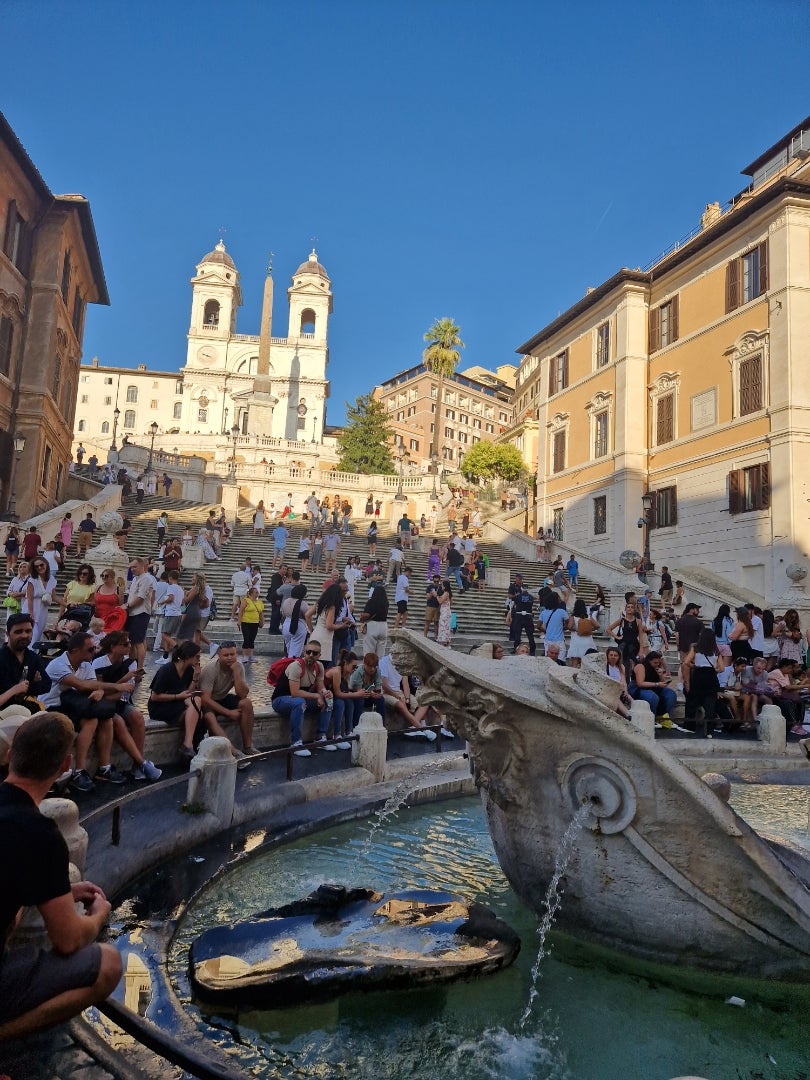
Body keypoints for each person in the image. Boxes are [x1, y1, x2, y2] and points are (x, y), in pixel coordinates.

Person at [0, 712, 122, 1041]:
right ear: (65, 765)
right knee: (108, 963)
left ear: (11, 755)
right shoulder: (39, 833)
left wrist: (59, 892)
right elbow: (68, 940)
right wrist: (98, 916)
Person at [40, 632, 135, 792]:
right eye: (90, 649)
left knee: (105, 718)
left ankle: (103, 767)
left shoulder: (87, 664)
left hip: (73, 704)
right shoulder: (58, 664)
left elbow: (93, 686)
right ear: (76, 650)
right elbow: (81, 685)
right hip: (52, 706)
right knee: (92, 719)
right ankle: (79, 771)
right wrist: (116, 686)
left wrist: (99, 691)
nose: (95, 652)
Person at [92, 632, 161, 780]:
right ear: (113, 647)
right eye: (125, 644)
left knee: (138, 717)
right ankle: (141, 763)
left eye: (129, 643)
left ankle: (137, 766)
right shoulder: (98, 663)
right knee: (118, 722)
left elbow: (125, 693)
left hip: (120, 701)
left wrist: (120, 687)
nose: (129, 646)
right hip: (104, 704)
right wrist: (123, 681)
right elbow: (98, 691)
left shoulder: (130, 663)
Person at [197, 643, 257, 763]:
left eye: (232, 654)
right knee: (209, 717)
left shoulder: (239, 667)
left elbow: (243, 694)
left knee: (246, 703)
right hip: (208, 702)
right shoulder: (210, 669)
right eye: (226, 655)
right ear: (219, 655)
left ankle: (248, 747)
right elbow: (205, 699)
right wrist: (228, 713)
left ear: (237, 654)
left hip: (222, 697)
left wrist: (235, 672)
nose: (230, 657)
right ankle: (233, 752)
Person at [271, 641, 331, 756]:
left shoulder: (319, 666)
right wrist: (316, 696)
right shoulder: (296, 666)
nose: (311, 655)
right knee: (299, 702)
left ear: (319, 655)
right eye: (308, 652)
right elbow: (294, 692)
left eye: (315, 653)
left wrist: (325, 693)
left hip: (300, 699)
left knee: (329, 702)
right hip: (280, 700)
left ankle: (320, 737)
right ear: (304, 652)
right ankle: (296, 742)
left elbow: (320, 686)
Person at [147, 641, 203, 751]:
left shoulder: (189, 671)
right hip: (160, 707)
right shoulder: (167, 670)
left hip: (177, 705)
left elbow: (188, 694)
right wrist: (177, 696)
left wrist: (195, 678)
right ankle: (189, 745)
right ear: (187, 656)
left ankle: (188, 745)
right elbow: (154, 696)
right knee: (197, 713)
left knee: (197, 707)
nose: (199, 659)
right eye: (197, 656)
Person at [0, 613, 51, 715]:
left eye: (28, 631)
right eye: (18, 632)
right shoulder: (1, 658)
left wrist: (25, 688)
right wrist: (17, 689)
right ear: (8, 634)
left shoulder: (32, 657)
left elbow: (46, 684)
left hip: (26, 709)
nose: (24, 635)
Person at [682, 628, 725, 737]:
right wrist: (714, 670)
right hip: (711, 679)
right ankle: (709, 730)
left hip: (698, 677)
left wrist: (695, 666)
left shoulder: (696, 648)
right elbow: (722, 668)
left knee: (692, 702)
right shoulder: (716, 651)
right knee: (710, 705)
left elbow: (686, 662)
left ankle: (690, 727)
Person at [324, 650, 364, 748]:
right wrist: (356, 694)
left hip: (332, 695)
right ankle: (337, 735)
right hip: (325, 694)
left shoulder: (346, 672)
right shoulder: (337, 671)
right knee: (341, 702)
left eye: (356, 667)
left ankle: (348, 731)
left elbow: (347, 689)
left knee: (351, 701)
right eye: (353, 667)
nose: (355, 669)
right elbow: (338, 693)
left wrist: (360, 690)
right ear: (346, 663)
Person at [125, 558, 157, 672]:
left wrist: (127, 606)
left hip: (140, 612)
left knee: (138, 641)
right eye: (131, 567)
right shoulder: (135, 579)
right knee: (133, 641)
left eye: (134, 567)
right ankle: (132, 665)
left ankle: (139, 667)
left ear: (142, 566)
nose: (132, 569)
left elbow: (140, 597)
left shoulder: (147, 579)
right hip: (133, 613)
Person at [631, 651, 677, 723]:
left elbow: (663, 683)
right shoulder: (641, 666)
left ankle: (666, 719)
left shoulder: (657, 667)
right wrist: (657, 684)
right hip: (638, 688)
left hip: (654, 686)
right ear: (649, 661)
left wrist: (660, 675)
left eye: (658, 663)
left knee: (671, 694)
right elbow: (640, 683)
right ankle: (652, 720)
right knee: (652, 697)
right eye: (655, 663)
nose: (657, 664)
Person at [154, 569, 184, 662]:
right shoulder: (180, 589)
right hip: (177, 613)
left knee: (164, 635)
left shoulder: (171, 587)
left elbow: (171, 598)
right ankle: (165, 656)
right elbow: (183, 602)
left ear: (170, 578)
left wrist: (162, 602)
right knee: (167, 634)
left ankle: (176, 646)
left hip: (171, 613)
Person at [25, 558, 55, 643]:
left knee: (38, 635)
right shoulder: (32, 580)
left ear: (46, 564)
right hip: (31, 609)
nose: (39, 567)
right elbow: (29, 598)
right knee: (32, 634)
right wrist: (30, 613)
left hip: (43, 611)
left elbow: (54, 596)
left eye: (41, 565)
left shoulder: (51, 579)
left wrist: (67, 604)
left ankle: (34, 654)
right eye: (36, 566)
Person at [281, 583, 314, 659]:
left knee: (288, 648)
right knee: (296, 650)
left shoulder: (286, 601)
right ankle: (292, 666)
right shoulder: (303, 604)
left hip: (286, 624)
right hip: (298, 624)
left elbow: (283, 613)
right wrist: (310, 629)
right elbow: (307, 616)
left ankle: (287, 663)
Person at [359, 577, 389, 658]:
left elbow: (367, 614)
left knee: (369, 653)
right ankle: (379, 669)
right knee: (381, 654)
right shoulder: (386, 603)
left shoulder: (371, 601)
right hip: (383, 626)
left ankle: (369, 669)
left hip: (372, 626)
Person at [567, 599, 598, 668]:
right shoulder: (588, 617)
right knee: (586, 663)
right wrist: (589, 629)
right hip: (588, 641)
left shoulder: (573, 617)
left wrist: (577, 629)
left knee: (574, 663)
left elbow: (569, 626)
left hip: (577, 640)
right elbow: (597, 625)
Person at [237, 587, 264, 663]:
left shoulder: (260, 602)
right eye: (256, 592)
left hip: (255, 623)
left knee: (252, 639)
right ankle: (245, 656)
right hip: (246, 622)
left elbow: (261, 613)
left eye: (257, 592)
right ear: (251, 593)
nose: (257, 593)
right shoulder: (246, 601)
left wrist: (262, 621)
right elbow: (241, 611)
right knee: (246, 638)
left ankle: (251, 656)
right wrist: (239, 621)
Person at [604, 645, 632, 718]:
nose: (613, 657)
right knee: (616, 699)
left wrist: (625, 691)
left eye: (615, 655)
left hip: (619, 690)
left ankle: (636, 713)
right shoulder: (604, 666)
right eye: (611, 655)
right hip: (608, 691)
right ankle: (628, 715)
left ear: (619, 657)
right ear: (607, 656)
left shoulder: (621, 667)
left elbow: (623, 681)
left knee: (629, 698)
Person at [436, 580, 453, 648]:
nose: (441, 586)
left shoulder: (446, 593)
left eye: (442, 585)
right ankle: (447, 642)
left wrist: (436, 596)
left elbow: (440, 601)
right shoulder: (449, 593)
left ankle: (443, 642)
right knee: (447, 627)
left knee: (443, 626)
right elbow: (451, 603)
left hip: (445, 612)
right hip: (447, 610)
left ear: (445, 586)